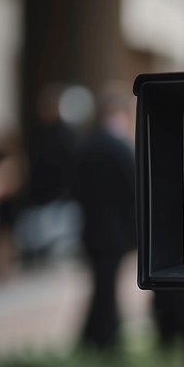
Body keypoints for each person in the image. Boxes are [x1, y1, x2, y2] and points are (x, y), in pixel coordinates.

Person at [72, 90, 137, 352]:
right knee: (106, 287)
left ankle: (94, 336)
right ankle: (105, 339)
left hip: (91, 230)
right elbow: (132, 192)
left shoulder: (87, 145)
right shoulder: (120, 148)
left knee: (102, 285)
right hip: (114, 233)